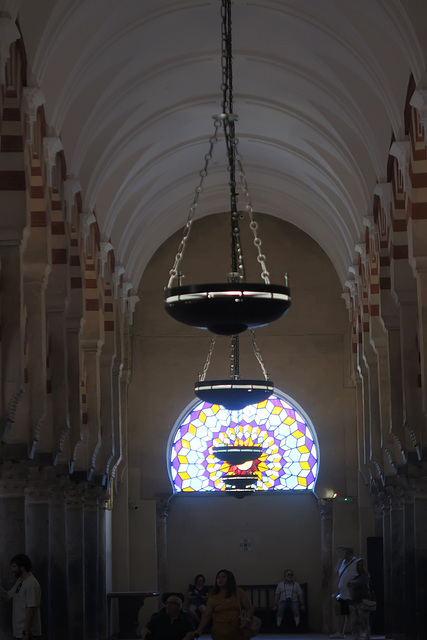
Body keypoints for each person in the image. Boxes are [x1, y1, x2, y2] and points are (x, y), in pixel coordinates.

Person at [194, 569, 253, 640]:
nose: (220, 579)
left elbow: (249, 608)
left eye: (223, 577)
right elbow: (207, 615)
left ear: (230, 579)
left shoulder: (239, 592)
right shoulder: (213, 597)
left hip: (239, 633)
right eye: (218, 577)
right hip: (220, 634)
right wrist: (199, 630)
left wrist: (247, 620)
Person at [0, 553, 41, 640]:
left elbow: (31, 608)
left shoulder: (31, 584)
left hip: (28, 634)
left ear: (22, 567)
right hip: (20, 632)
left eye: (14, 567)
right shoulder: (20, 581)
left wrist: (26, 632)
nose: (12, 570)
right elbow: (7, 597)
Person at [330, 546, 357, 639]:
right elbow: (338, 575)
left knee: (355, 614)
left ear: (352, 554)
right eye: (344, 553)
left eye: (348, 553)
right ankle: (340, 632)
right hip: (342, 593)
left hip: (352, 593)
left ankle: (357, 633)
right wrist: (335, 590)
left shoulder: (356, 562)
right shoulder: (342, 562)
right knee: (342, 613)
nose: (346, 555)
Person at [347, 558, 371, 640]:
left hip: (363, 601)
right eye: (358, 566)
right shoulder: (355, 576)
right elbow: (349, 583)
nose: (359, 567)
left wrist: (353, 583)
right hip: (354, 601)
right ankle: (356, 637)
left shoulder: (365, 575)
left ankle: (365, 637)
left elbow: (358, 583)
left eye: (361, 566)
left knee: (363, 621)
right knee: (354, 622)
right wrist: (352, 583)